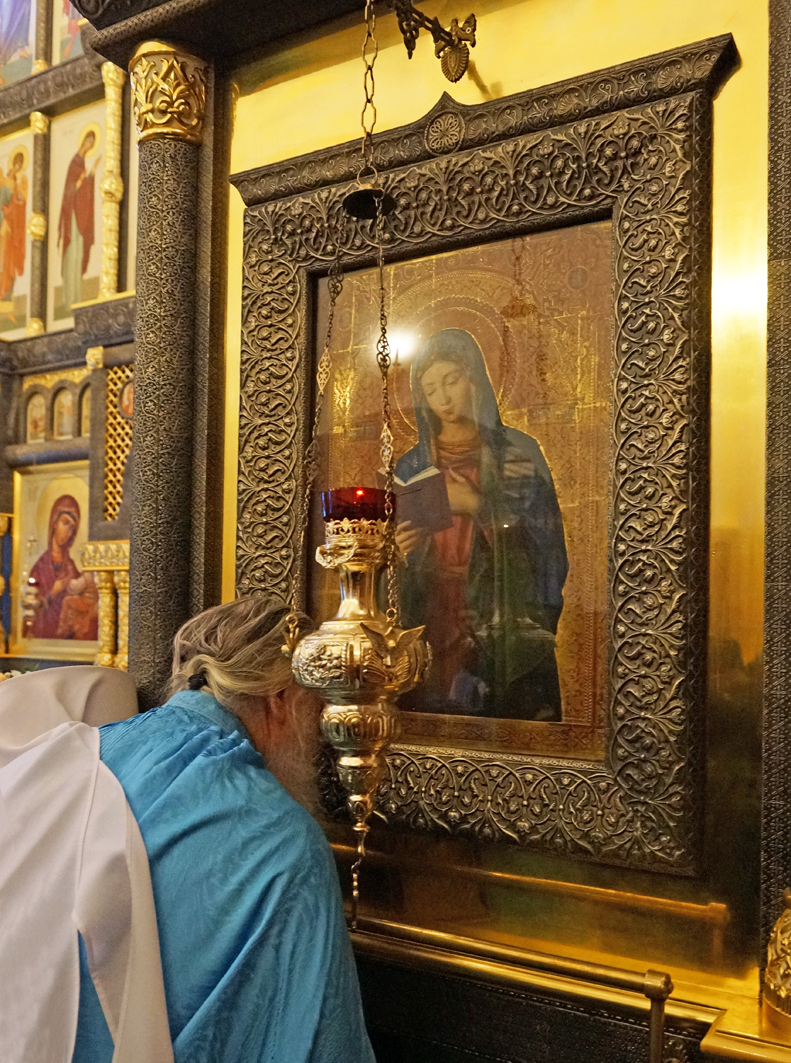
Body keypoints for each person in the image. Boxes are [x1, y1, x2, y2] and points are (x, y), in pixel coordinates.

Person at [71, 595, 376, 1063]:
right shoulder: (284, 841)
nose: (316, 735)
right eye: (316, 707)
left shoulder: (91, 749)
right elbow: (321, 1041)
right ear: (281, 699)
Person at [395, 329, 568, 720]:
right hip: (432, 616)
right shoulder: (412, 466)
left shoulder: (516, 454)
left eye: (451, 381)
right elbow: (392, 562)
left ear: (473, 378)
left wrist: (477, 506)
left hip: (497, 617)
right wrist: (400, 552)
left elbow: (547, 551)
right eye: (430, 389)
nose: (443, 398)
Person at [28, 494, 98, 641]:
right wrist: (53, 592)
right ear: (54, 522)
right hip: (44, 640)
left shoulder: (71, 568)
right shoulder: (39, 568)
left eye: (72, 528)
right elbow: (30, 612)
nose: (68, 532)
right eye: (65, 523)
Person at [58, 128, 99, 311]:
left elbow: (84, 187)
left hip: (80, 215)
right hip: (72, 216)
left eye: (92, 144)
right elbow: (69, 191)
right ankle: (68, 299)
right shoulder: (74, 163)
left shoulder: (82, 163)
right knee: (72, 253)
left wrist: (92, 172)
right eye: (88, 142)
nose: (89, 146)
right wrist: (80, 181)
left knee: (79, 253)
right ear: (83, 141)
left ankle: (77, 298)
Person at [0, 148, 26, 312]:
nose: (17, 167)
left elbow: (18, 206)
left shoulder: (16, 185)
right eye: (16, 163)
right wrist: (3, 221)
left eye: (20, 165)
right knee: (2, 264)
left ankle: (7, 301)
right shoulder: (3, 184)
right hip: (3, 230)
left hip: (11, 234)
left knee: (9, 265)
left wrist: (20, 199)